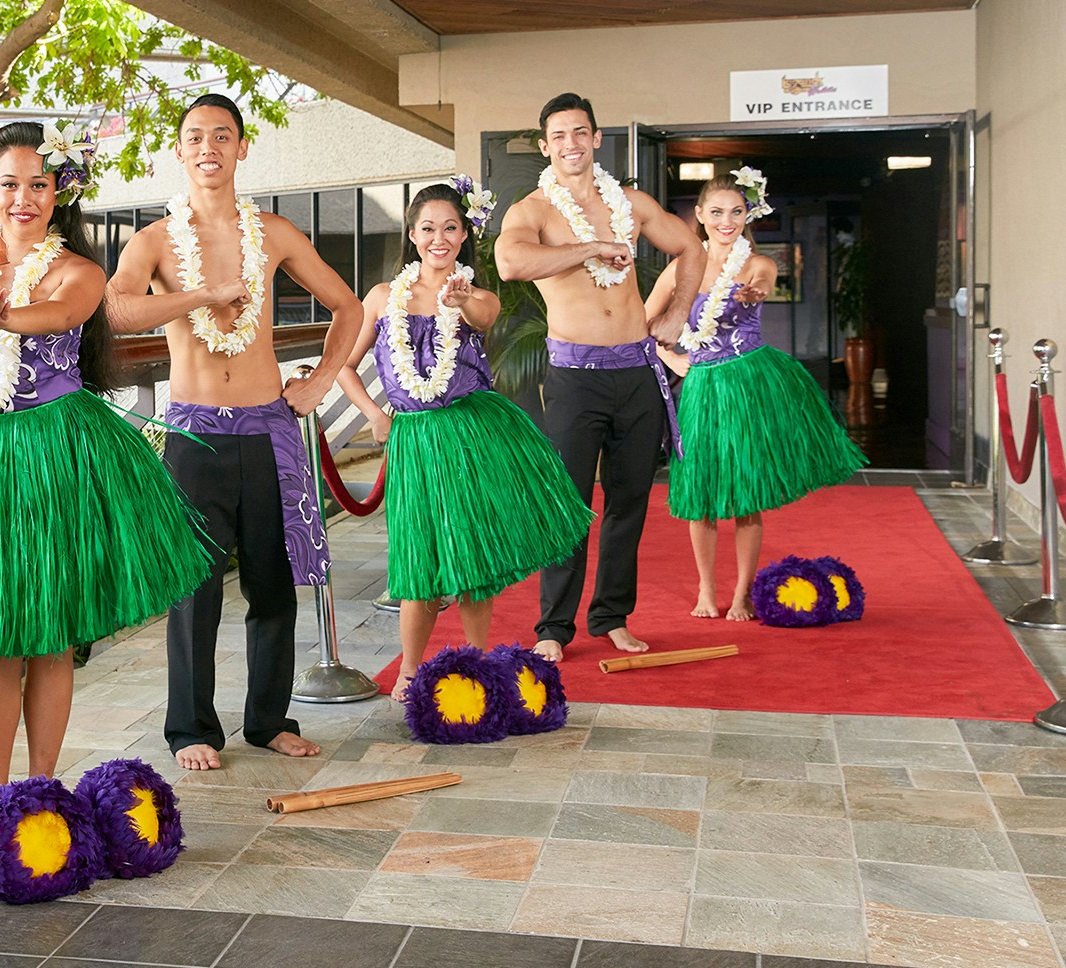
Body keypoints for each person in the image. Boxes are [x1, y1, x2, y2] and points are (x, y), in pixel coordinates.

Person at [0, 121, 212, 795]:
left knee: (51, 635)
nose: (23, 199)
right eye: (10, 184)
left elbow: (60, 316)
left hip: (57, 452)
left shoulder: (80, 272)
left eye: (39, 184)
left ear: (58, 193)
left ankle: (42, 789)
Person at [107, 94, 362, 771]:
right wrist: (199, 296)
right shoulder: (156, 241)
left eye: (223, 135)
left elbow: (349, 306)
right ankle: (190, 728)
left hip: (267, 427)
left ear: (242, 148)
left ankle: (269, 719)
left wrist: (318, 383)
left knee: (272, 584)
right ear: (181, 150)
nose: (209, 147)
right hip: (194, 432)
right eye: (196, 136)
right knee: (194, 588)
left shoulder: (273, 233)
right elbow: (117, 310)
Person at [335, 179, 594, 700]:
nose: (439, 237)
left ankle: (478, 663)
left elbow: (485, 317)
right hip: (415, 439)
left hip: (471, 432)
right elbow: (342, 363)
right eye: (428, 227)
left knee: (472, 556)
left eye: (450, 228)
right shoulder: (384, 297)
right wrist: (373, 415)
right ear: (412, 234)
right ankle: (410, 670)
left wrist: (462, 298)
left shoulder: (478, 295)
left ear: (463, 235)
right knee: (419, 560)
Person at [495, 92, 706, 662]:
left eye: (580, 132)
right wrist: (591, 245)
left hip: (637, 369)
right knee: (569, 501)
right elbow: (511, 263)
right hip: (574, 376)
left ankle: (611, 616)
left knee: (629, 499)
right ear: (545, 146)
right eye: (559, 135)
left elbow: (690, 246)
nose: (571, 144)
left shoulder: (632, 203)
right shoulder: (535, 211)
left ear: (596, 139)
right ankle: (553, 627)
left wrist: (678, 310)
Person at [645, 167, 868, 620]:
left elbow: (762, 285)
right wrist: (672, 361)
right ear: (700, 216)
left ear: (748, 215)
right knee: (700, 497)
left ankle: (743, 592)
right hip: (702, 388)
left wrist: (754, 293)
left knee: (745, 495)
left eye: (736, 211)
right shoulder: (679, 269)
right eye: (717, 212)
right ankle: (707, 590)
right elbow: (642, 324)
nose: (727, 221)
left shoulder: (756, 264)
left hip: (747, 383)